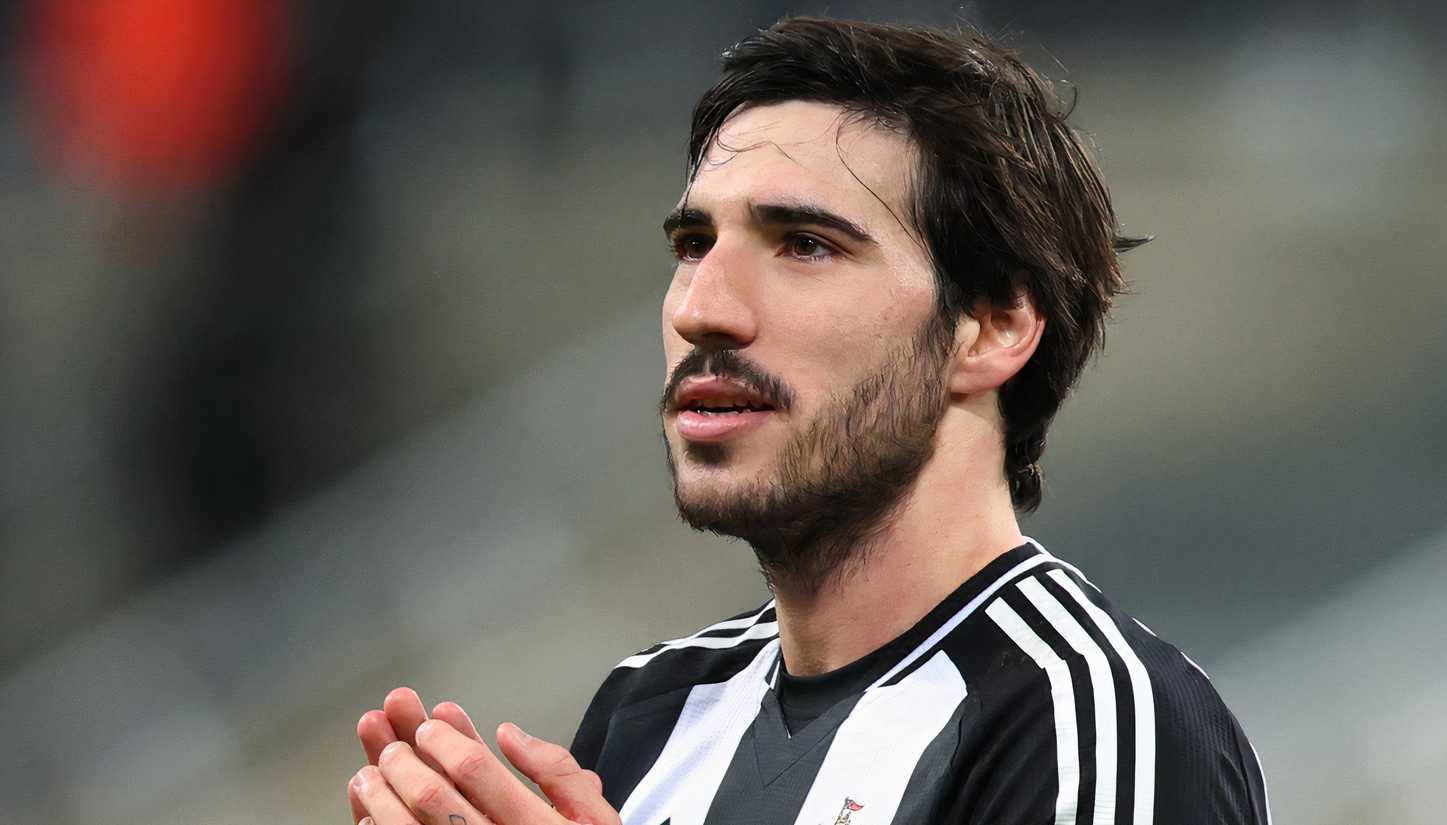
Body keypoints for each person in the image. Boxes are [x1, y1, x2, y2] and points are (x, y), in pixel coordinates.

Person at [345, 17, 1270, 825]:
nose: (702, 307)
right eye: (694, 244)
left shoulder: (1091, 717)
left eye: (806, 245)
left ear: (990, 327)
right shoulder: (654, 707)